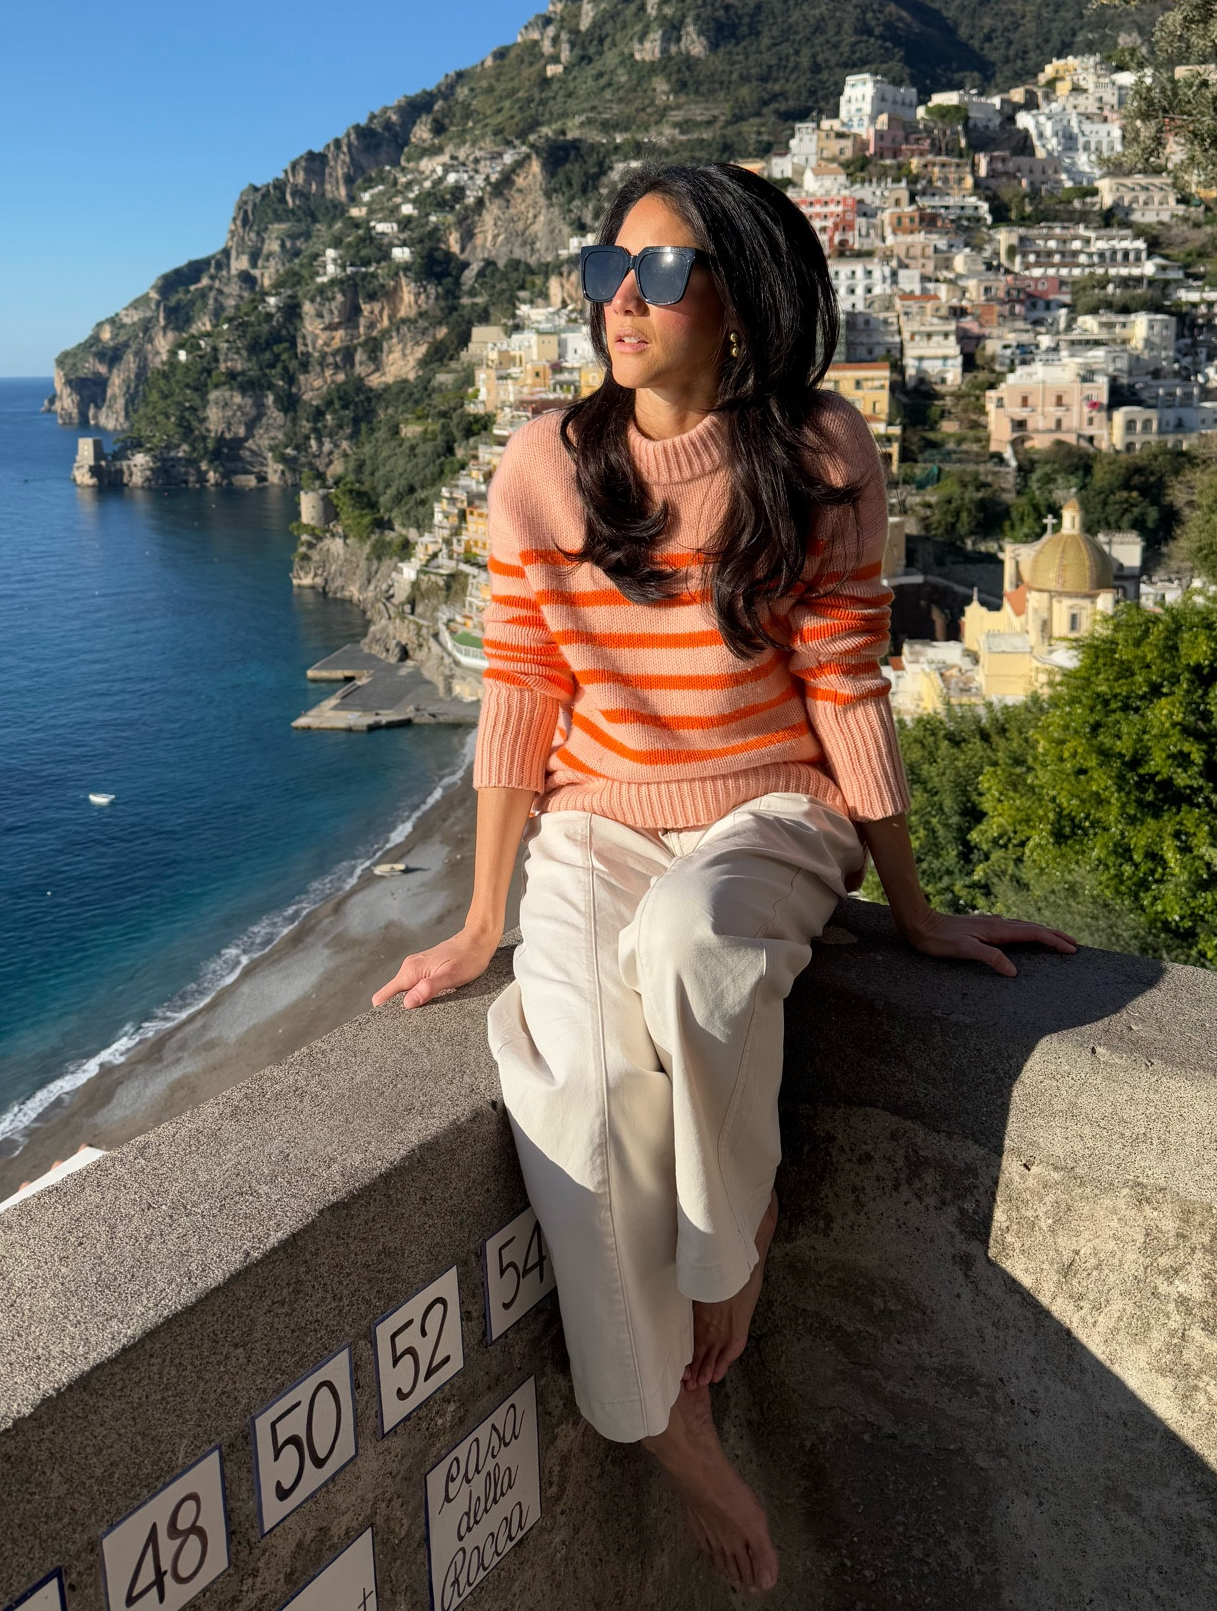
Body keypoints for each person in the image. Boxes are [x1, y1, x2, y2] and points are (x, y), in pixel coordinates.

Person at [374, 162, 1075, 1594]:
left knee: (694, 950)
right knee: (570, 1087)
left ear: (739, 304)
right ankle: (663, 1426)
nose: (622, 300)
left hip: (772, 814)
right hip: (594, 821)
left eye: (667, 272)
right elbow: (520, 697)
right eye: (605, 269)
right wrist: (480, 919)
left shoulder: (818, 453)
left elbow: (848, 688)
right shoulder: (544, 468)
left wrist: (917, 909)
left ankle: (728, 1244)